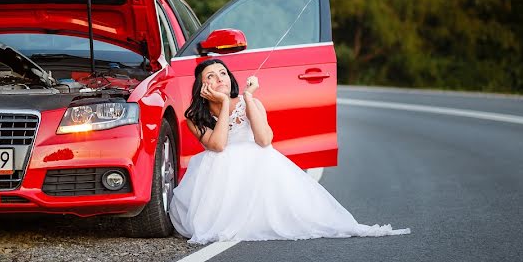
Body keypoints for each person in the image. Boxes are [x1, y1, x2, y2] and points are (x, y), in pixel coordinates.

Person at [169, 59, 410, 244]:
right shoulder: (194, 117)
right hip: (220, 174)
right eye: (211, 76)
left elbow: (264, 140)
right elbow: (218, 145)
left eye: (223, 73)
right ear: (202, 87)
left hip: (257, 166)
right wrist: (222, 105)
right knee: (219, 157)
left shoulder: (248, 101)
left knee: (260, 156)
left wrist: (249, 98)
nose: (219, 78)